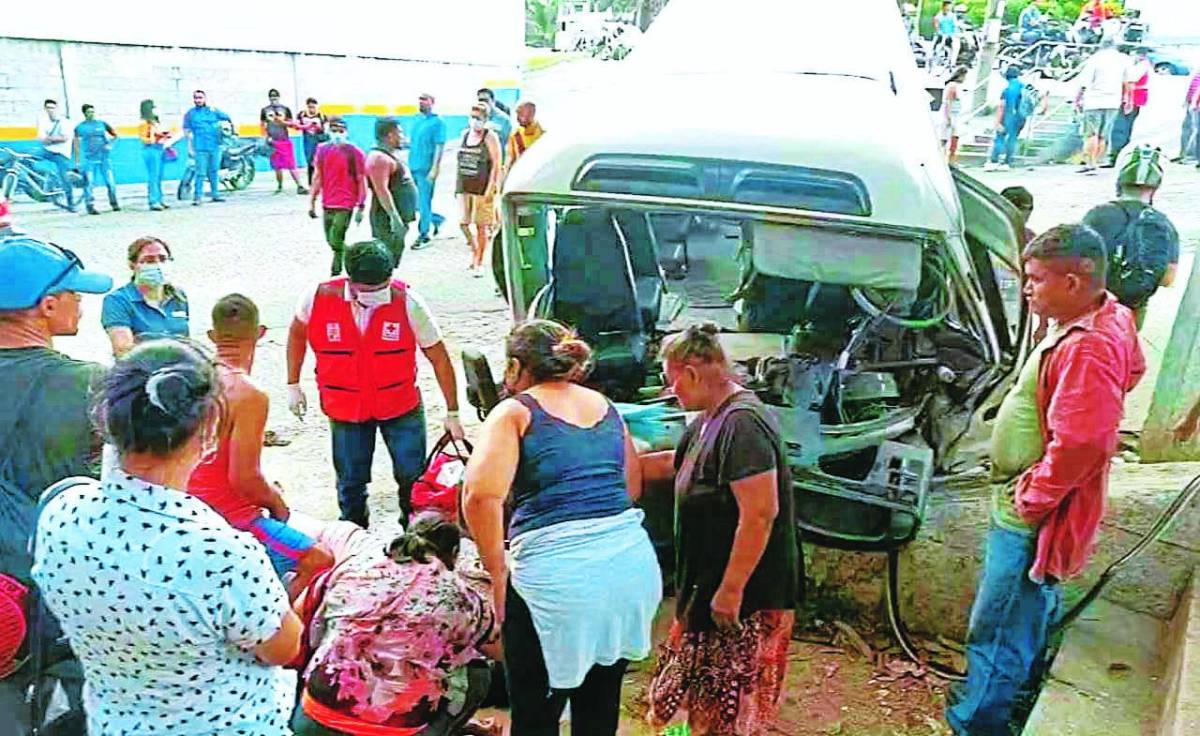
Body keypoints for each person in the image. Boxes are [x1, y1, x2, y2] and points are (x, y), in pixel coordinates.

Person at [32, 338, 303, 735]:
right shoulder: (221, 553)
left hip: (114, 724)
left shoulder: (61, 513)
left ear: (109, 420)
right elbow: (283, 648)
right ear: (208, 431)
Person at [945, 223, 1143, 735]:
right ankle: (1001, 698)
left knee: (1001, 621)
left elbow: (1085, 441)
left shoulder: (1089, 346)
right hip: (1041, 500)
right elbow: (1135, 369)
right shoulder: (1109, 316)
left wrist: (1033, 496)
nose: (1027, 289)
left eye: (1035, 279)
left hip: (1034, 511)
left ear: (1073, 283)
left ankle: (978, 721)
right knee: (1028, 610)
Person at [463, 320, 662, 736]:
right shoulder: (605, 406)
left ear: (515, 366)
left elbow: (480, 498)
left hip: (557, 581)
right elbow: (631, 486)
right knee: (599, 704)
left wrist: (498, 574)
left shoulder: (514, 411)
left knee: (536, 713)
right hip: (629, 571)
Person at [633, 323, 801, 735]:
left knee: (727, 708)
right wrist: (611, 464)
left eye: (671, 379)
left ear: (691, 373)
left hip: (744, 597)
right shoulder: (711, 418)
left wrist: (731, 590)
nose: (669, 391)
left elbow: (760, 513)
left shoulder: (743, 425)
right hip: (707, 585)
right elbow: (677, 464)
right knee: (689, 701)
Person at [0, 236, 112, 734]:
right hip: (51, 593)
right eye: (74, 294)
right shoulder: (90, 383)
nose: (81, 304)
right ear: (47, 306)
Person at [287, 239, 465, 527]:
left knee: (412, 478)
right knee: (350, 481)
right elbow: (297, 334)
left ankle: (413, 535)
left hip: (400, 406)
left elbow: (440, 358)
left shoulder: (408, 302)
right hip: (345, 407)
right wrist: (292, 384)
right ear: (351, 281)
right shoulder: (317, 298)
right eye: (370, 291)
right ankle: (355, 535)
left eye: (383, 288)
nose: (378, 296)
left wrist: (453, 412)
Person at [293, 513, 500, 735]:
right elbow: (497, 650)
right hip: (392, 727)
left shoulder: (354, 566)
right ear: (454, 553)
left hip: (314, 719)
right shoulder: (462, 596)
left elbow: (299, 616)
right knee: (476, 671)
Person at [188, 294, 333, 599]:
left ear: (212, 336)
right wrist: (276, 503)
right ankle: (274, 619)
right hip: (229, 517)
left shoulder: (192, 379)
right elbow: (244, 478)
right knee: (319, 559)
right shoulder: (248, 393)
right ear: (260, 333)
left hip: (190, 508)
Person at [1081, 146, 1179, 329]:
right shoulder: (1163, 223)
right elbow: (1168, 278)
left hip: (1091, 303)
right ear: (1155, 187)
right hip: (1132, 309)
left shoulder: (1096, 215)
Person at [101, 236, 190, 356]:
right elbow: (123, 350)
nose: (158, 265)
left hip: (181, 364)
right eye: (149, 260)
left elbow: (186, 340)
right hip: (141, 366)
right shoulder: (117, 300)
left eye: (163, 259)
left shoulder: (178, 296)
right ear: (132, 265)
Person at [309, 117, 367, 276]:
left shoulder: (355, 152)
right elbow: (318, 176)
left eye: (340, 131)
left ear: (346, 132)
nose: (337, 134)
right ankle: (348, 262)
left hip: (346, 203)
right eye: (334, 130)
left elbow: (361, 179)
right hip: (327, 202)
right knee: (331, 241)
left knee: (336, 239)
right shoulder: (322, 150)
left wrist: (361, 205)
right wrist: (312, 201)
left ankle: (337, 270)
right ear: (328, 131)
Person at [365, 117, 418, 266]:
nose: (402, 136)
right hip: (387, 221)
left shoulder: (389, 155)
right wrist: (394, 218)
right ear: (390, 135)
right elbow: (381, 190)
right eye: (399, 133)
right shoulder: (379, 158)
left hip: (399, 217)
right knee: (386, 257)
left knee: (394, 254)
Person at [457, 103, 502, 276]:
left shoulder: (490, 137)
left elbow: (496, 163)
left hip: (482, 187)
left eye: (479, 118)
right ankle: (474, 249)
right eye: (473, 117)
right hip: (465, 186)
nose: (475, 121)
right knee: (463, 223)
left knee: (481, 225)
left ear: (486, 119)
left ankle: (479, 261)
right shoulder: (464, 135)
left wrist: (491, 188)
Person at [1075, 37, 1127, 174]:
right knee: (1103, 135)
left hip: (1094, 100)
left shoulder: (1095, 59)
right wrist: (1126, 98)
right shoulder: (1122, 59)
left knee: (1091, 134)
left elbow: (1084, 82)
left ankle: (1089, 162)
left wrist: (1077, 98)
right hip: (1113, 101)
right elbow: (1127, 80)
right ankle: (1097, 161)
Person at [409, 93, 447, 249]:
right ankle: (436, 219)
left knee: (424, 202)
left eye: (425, 99)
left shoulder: (438, 122)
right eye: (420, 99)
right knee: (414, 202)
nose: (421, 102)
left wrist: (435, 168)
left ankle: (424, 234)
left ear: (432, 102)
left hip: (426, 168)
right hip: (413, 166)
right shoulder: (417, 120)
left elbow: (439, 146)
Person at [182, 89, 232, 206]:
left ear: (205, 99)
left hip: (215, 146)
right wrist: (190, 147)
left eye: (200, 98)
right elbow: (187, 131)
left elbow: (227, 118)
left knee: (214, 171)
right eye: (196, 98)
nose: (198, 100)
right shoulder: (190, 114)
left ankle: (215, 195)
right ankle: (197, 197)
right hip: (200, 147)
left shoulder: (212, 111)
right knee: (200, 173)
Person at [1107, 47, 1153, 168]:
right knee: (1123, 128)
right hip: (1131, 98)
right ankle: (1117, 155)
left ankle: (1116, 156)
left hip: (1132, 99)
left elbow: (1131, 78)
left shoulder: (1142, 66)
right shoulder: (1139, 65)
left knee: (1121, 128)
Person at [72, 104, 119, 216]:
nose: (91, 114)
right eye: (89, 112)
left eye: (93, 111)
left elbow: (115, 136)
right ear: (84, 113)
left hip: (104, 158)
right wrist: (77, 161)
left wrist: (110, 144)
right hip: (89, 159)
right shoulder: (80, 127)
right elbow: (76, 144)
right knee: (89, 183)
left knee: (110, 182)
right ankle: (90, 206)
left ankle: (114, 203)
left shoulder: (102, 124)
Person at [35, 99, 77, 212]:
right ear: (45, 109)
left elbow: (64, 138)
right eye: (48, 108)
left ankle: (71, 203)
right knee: (26, 156)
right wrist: (52, 139)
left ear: (57, 108)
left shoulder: (64, 122)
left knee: (64, 177)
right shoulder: (42, 121)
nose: (50, 110)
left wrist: (49, 139)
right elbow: (42, 139)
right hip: (47, 150)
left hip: (62, 153)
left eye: (53, 108)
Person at [984, 67, 1029, 172]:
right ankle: (1007, 163)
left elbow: (1001, 106)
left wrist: (997, 121)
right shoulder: (1025, 87)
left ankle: (994, 162)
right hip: (1021, 117)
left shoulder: (1007, 89)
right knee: (1012, 139)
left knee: (1000, 137)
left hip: (1008, 116)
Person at [138, 99, 173, 211]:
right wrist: (157, 138)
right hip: (151, 150)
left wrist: (165, 136)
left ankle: (159, 199)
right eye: (153, 107)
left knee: (159, 176)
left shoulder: (156, 121)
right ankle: (153, 201)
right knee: (154, 176)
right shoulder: (144, 123)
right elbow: (144, 139)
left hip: (160, 149)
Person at [264, 109, 309, 194]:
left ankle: (299, 185)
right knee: (277, 167)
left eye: (278, 115)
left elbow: (294, 126)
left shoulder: (284, 123)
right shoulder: (268, 124)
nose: (275, 117)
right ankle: (280, 186)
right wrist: (268, 141)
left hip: (285, 145)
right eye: (272, 115)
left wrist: (283, 121)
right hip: (274, 146)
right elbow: (267, 135)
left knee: (291, 166)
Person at [506, 100, 545, 171]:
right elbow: (511, 159)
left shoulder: (543, 133)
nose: (517, 118)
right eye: (517, 114)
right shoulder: (515, 134)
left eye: (521, 114)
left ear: (531, 114)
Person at [1171, 71, 1200, 164]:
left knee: (1195, 131)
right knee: (1187, 129)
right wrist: (1187, 100)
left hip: (1196, 105)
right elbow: (1193, 86)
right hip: (1192, 104)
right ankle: (1184, 153)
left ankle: (1191, 156)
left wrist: (1194, 103)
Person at [298, 97, 328, 186]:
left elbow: (326, 130)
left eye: (313, 107)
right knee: (310, 162)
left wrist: (318, 127)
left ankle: (322, 182)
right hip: (308, 141)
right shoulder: (302, 115)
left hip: (319, 141)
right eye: (310, 107)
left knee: (320, 161)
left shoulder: (322, 116)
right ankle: (311, 183)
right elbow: (296, 125)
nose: (311, 109)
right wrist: (306, 126)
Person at [477, 88, 514, 159]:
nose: (483, 103)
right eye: (480, 100)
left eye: (486, 100)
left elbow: (508, 143)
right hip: (479, 159)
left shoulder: (504, 119)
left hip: (497, 159)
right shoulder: (475, 117)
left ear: (493, 101)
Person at [941, 68, 967, 164]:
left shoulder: (956, 86)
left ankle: (950, 158)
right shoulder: (953, 86)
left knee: (953, 136)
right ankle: (947, 158)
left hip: (955, 114)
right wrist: (948, 116)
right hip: (951, 114)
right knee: (947, 137)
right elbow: (948, 101)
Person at [932, 2, 960, 68]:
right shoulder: (938, 16)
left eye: (950, 8)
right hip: (942, 34)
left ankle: (952, 63)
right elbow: (936, 26)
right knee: (936, 44)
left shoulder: (953, 16)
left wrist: (955, 33)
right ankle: (934, 57)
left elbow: (955, 26)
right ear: (943, 7)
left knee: (956, 45)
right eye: (947, 7)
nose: (948, 9)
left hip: (951, 35)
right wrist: (940, 32)